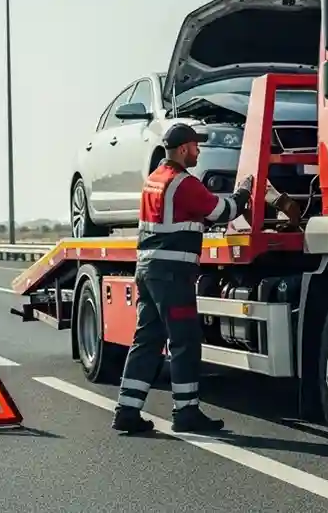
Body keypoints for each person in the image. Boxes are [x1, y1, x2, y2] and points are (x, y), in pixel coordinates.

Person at [111, 122, 256, 435]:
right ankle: (186, 411)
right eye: (194, 146)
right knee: (185, 341)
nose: (198, 150)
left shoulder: (152, 181)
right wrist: (244, 191)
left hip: (148, 272)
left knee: (147, 340)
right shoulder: (183, 183)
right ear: (181, 149)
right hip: (173, 276)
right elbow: (222, 210)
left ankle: (127, 409)